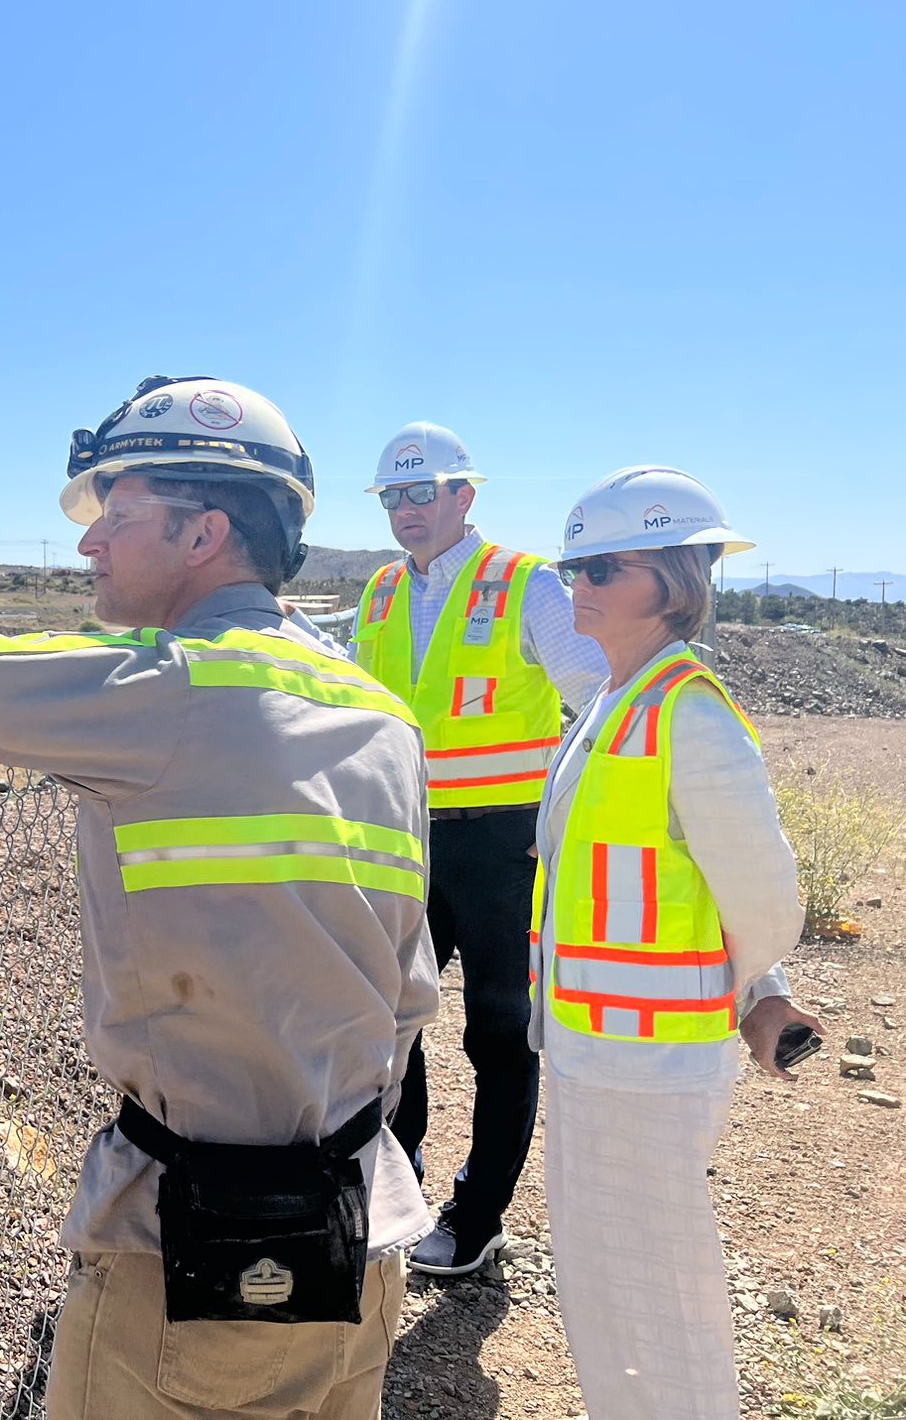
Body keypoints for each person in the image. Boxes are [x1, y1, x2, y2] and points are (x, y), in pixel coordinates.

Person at [0, 376, 438, 1419]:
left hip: (202, 1261)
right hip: (364, 1225)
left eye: (115, 514)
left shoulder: (172, 690)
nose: (86, 545)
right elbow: (408, 992)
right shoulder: (381, 718)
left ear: (203, 534)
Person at [533, 465, 821, 1418]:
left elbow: (763, 897)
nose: (580, 584)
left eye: (604, 567)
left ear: (674, 580)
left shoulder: (689, 716)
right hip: (591, 1046)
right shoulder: (615, 703)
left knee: (655, 1283)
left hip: (648, 1058)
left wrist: (745, 986)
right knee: (602, 1269)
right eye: (575, 564)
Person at [348, 422, 609, 1275]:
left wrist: (570, 822)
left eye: (420, 492)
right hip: (404, 836)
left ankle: (478, 1214)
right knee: (390, 1023)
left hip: (504, 847)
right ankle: (400, 1189)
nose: (404, 510)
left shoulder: (528, 585)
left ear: (466, 495)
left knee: (499, 1033)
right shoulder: (381, 592)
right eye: (392, 496)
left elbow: (600, 703)